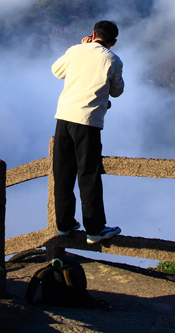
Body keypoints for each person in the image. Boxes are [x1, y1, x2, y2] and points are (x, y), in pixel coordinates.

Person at [51, 20, 124, 244]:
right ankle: (94, 229)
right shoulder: (112, 59)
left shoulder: (75, 50)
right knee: (89, 174)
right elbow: (117, 91)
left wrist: (80, 46)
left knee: (63, 172)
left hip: (64, 118)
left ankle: (64, 224)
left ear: (93, 34)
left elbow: (57, 71)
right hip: (88, 122)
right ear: (113, 42)